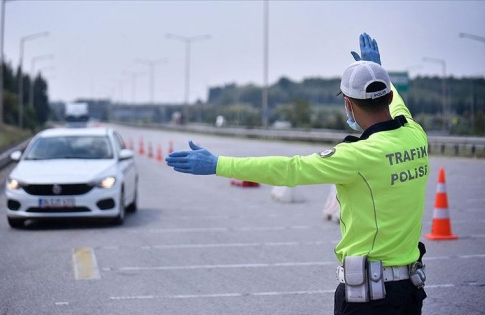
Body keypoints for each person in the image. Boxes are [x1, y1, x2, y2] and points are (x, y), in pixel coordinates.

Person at [165, 33, 429, 315]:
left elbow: (289, 169)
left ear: (348, 104)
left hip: (371, 299)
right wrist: (377, 70)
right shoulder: (415, 134)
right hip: (410, 293)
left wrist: (218, 164)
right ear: (388, 95)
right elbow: (398, 107)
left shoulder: (357, 156)